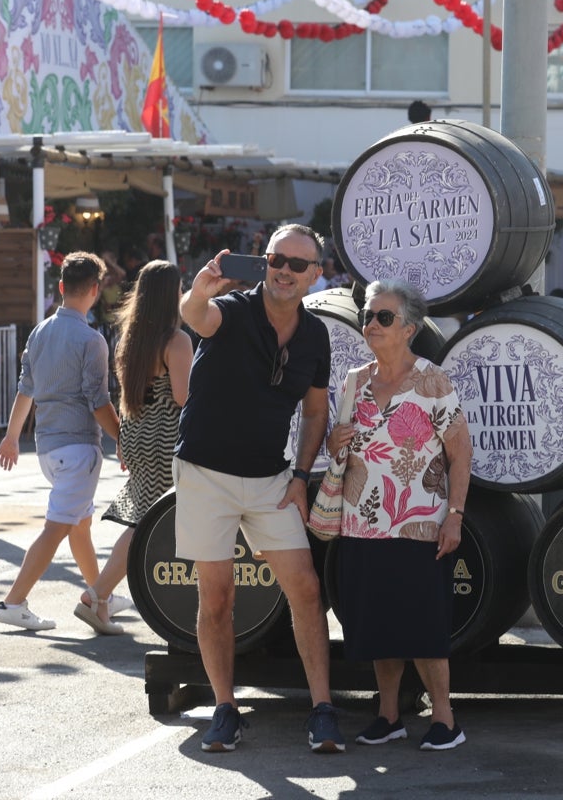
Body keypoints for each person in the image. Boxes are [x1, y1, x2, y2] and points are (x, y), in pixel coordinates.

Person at [175, 224, 343, 754]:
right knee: (217, 598)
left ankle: (323, 710)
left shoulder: (316, 335)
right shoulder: (234, 310)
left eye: (298, 264)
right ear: (264, 261)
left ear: (316, 275)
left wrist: (300, 476)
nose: (285, 271)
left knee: (307, 589)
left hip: (272, 478)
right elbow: (194, 317)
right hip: (206, 473)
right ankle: (226, 709)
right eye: (277, 259)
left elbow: (316, 412)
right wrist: (200, 290)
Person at [325, 279, 473, 752]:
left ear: (408, 328)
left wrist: (455, 514)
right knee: (377, 625)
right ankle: (388, 715)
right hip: (361, 523)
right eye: (368, 315)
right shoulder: (354, 381)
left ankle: (445, 719)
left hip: (418, 524)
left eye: (383, 317)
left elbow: (460, 455)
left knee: (423, 627)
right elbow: (340, 446)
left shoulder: (433, 380)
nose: (371, 324)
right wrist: (334, 443)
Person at [0, 252, 121, 631]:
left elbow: (25, 389)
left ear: (62, 287)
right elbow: (98, 401)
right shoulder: (92, 340)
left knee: (78, 524)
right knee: (58, 527)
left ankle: (104, 595)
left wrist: (12, 437)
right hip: (78, 447)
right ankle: (13, 602)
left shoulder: (39, 332)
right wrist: (124, 439)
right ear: (95, 291)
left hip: (46, 448)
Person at [74, 260, 193, 635]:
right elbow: (183, 396)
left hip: (137, 433)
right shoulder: (176, 341)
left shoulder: (129, 339)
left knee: (145, 519)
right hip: (166, 438)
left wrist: (124, 441)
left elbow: (126, 394)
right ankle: (98, 595)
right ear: (171, 294)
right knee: (149, 523)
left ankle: (100, 598)